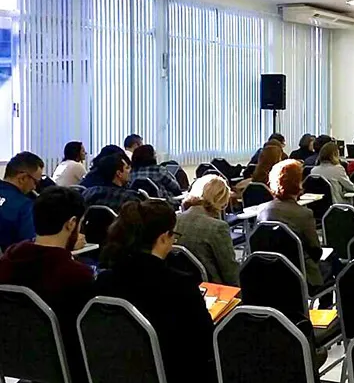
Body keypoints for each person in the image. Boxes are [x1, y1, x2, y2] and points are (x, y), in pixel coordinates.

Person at [96, 199, 214, 383]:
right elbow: (205, 341)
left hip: (119, 371)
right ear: (163, 237)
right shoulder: (180, 285)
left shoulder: (105, 280)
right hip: (174, 372)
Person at [0, 186, 93, 383]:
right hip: (64, 369)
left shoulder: (7, 262)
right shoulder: (76, 275)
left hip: (13, 365)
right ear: (71, 224)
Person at [258, 160, 339, 307]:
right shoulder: (304, 214)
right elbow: (316, 251)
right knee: (334, 261)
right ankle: (325, 312)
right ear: (298, 183)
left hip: (270, 274)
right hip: (301, 275)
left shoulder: (262, 211)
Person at [176, 175, 239, 286]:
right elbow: (230, 272)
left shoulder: (175, 220)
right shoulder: (218, 227)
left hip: (181, 284)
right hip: (212, 288)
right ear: (221, 201)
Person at [0, 152, 43, 251]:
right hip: (11, 263)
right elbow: (31, 248)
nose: (34, 187)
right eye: (35, 182)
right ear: (22, 178)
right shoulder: (24, 206)